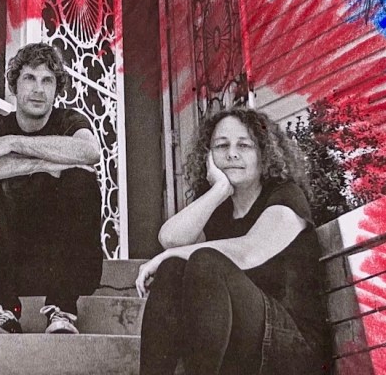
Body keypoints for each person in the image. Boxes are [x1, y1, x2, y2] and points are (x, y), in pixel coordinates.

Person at [136, 108, 331, 374]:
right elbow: (170, 238)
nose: (232, 154)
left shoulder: (286, 196)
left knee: (206, 261)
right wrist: (219, 190)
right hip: (241, 346)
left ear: (264, 154)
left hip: (293, 348)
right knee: (173, 269)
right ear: (208, 156)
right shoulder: (221, 209)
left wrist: (168, 255)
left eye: (244, 145)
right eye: (221, 146)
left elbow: (248, 251)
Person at [0, 42, 103, 335]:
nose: (38, 89)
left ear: (56, 89)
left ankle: (63, 310)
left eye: (47, 81)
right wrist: (48, 162)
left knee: (81, 180)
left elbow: (90, 152)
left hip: (69, 265)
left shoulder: (69, 121)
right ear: (14, 85)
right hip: (13, 265)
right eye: (30, 78)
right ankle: (5, 310)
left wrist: (13, 144)